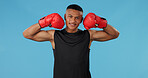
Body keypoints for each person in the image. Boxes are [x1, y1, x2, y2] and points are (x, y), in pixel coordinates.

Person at [23, 4, 120, 78]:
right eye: (70, 16)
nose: (73, 20)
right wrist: (44, 22)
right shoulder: (54, 35)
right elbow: (27, 34)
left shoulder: (88, 35)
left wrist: (100, 22)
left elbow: (115, 34)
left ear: (81, 20)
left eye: (77, 18)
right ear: (65, 16)